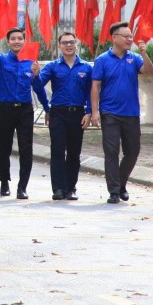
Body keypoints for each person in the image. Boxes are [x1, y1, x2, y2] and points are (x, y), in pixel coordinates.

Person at [91, 21, 153, 204]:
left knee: (132, 151)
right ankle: (114, 191)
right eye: (126, 36)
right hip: (110, 113)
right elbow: (95, 86)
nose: (129, 39)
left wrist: (144, 52)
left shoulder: (134, 58)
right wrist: (95, 111)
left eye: (130, 36)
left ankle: (121, 183)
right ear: (115, 38)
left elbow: (148, 71)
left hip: (131, 113)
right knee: (111, 151)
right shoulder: (102, 60)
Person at [0, 27, 44, 200]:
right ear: (8, 42)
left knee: (26, 148)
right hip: (5, 109)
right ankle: (4, 182)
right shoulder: (2, 60)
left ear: (24, 41)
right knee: (3, 148)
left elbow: (38, 87)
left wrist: (36, 74)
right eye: (13, 39)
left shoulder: (30, 62)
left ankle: (22, 187)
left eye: (20, 38)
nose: (17, 41)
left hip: (25, 109)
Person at [34, 32, 93, 201]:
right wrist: (36, 76)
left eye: (72, 42)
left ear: (76, 45)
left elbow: (92, 92)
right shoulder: (53, 66)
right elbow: (38, 87)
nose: (68, 45)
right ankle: (58, 188)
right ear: (59, 46)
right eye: (65, 43)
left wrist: (89, 112)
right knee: (57, 150)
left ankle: (71, 188)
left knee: (74, 153)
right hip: (58, 113)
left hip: (78, 114)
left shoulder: (86, 67)